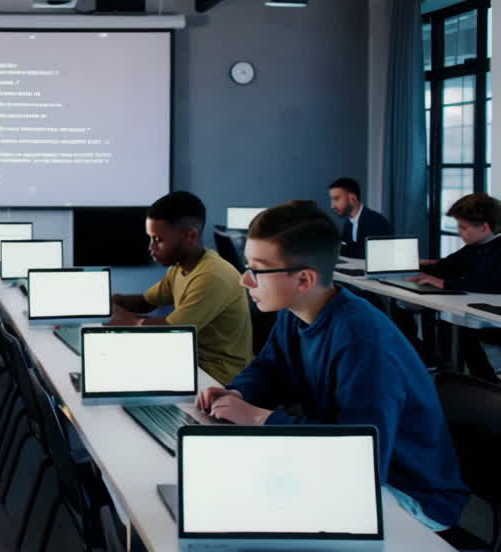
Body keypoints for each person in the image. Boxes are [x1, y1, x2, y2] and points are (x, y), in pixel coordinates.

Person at [198, 201, 469, 531]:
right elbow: (271, 369)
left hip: (407, 495)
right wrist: (236, 393)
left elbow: (358, 459)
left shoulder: (363, 342)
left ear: (303, 279)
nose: (245, 281)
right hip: (345, 466)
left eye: (257, 269)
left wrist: (259, 417)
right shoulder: (296, 310)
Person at [109, 191, 252, 386]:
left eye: (158, 240)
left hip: (217, 378)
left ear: (189, 236)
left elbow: (174, 330)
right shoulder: (179, 267)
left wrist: (131, 321)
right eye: (151, 238)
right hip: (187, 361)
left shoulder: (212, 276)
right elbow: (145, 301)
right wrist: (110, 301)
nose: (151, 247)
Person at [410, 193, 501, 382]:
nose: (459, 231)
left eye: (463, 227)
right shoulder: (476, 246)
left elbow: (490, 282)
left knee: (460, 332)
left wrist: (444, 283)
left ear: (484, 228)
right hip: (479, 310)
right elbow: (448, 266)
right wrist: (413, 265)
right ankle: (455, 373)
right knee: (451, 326)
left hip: (494, 316)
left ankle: (485, 383)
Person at [328, 177, 392, 259]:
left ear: (352, 198)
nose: (332, 206)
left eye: (336, 199)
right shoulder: (348, 224)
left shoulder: (376, 222)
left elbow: (371, 257)